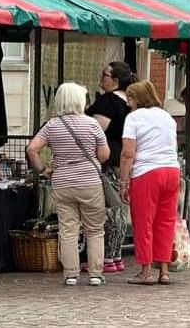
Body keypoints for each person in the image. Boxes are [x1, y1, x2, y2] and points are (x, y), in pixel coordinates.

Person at [27, 82, 110, 286]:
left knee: (68, 229)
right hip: (89, 181)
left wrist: (44, 169)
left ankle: (70, 273)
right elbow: (104, 154)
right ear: (80, 101)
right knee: (94, 229)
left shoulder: (52, 125)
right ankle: (95, 273)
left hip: (62, 182)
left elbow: (32, 149)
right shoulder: (92, 124)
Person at [120, 81, 180, 285]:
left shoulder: (133, 118)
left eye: (130, 99)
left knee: (144, 222)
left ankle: (146, 271)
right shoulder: (167, 117)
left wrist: (123, 181)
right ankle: (164, 270)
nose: (128, 103)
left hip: (147, 172)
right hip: (171, 170)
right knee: (165, 221)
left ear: (136, 99)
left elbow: (128, 153)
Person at [84, 61, 134, 273]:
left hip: (107, 160)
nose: (100, 77)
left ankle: (108, 256)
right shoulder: (130, 102)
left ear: (114, 80)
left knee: (112, 209)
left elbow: (96, 132)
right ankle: (115, 255)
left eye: (104, 74)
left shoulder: (108, 102)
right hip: (121, 158)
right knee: (119, 208)